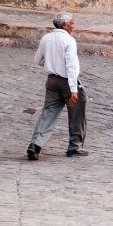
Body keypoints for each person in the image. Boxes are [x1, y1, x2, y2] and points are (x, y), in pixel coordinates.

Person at [27, 12, 88, 160]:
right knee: (77, 113)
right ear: (65, 25)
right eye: (72, 22)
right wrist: (73, 89)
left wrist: (50, 65)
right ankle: (74, 147)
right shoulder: (69, 40)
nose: (74, 25)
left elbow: (37, 60)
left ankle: (35, 144)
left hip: (52, 81)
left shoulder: (46, 38)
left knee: (48, 113)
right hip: (67, 82)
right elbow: (71, 67)